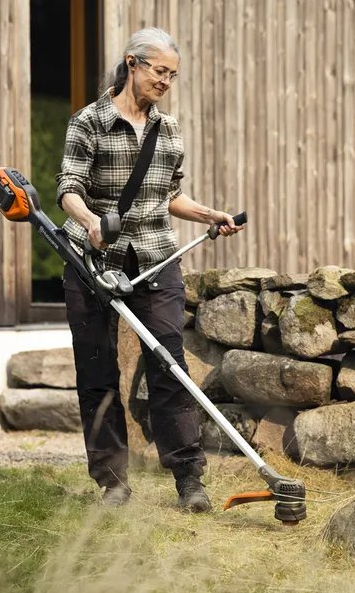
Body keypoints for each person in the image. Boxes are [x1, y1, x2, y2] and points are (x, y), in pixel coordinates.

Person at [56, 27, 240, 510]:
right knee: (97, 372)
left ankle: (189, 480)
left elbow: (169, 194)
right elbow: (68, 187)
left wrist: (210, 215)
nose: (166, 81)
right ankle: (112, 483)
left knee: (170, 367)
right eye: (160, 71)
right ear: (132, 63)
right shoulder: (89, 121)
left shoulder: (169, 129)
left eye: (173, 75)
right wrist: (93, 222)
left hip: (156, 258)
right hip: (92, 261)